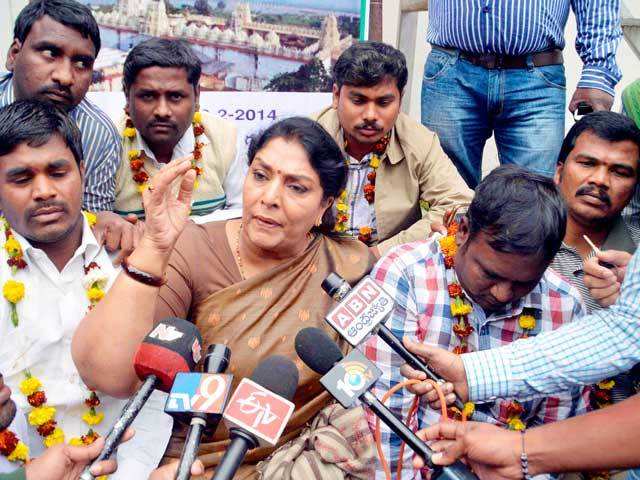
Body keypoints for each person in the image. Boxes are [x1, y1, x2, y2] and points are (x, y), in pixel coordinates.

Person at [72, 117, 378, 477]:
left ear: (325, 204)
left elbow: (370, 381)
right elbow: (109, 377)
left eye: (296, 188)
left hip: (311, 463)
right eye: (261, 176)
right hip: (200, 466)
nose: (269, 198)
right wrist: (154, 245)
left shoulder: (349, 263)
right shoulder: (195, 249)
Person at [364, 165, 589, 479]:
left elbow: (555, 432)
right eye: (490, 274)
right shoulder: (405, 274)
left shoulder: (565, 305)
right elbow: (388, 420)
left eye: (523, 283)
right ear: (463, 231)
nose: (501, 293)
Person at [0, 100, 172, 479]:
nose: (44, 191)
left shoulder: (130, 258)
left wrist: (133, 472)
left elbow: (153, 394)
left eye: (58, 172)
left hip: (124, 465)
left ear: (82, 171)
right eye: (21, 178)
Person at [421, 0, 622, 188]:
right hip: (451, 70)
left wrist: (598, 69)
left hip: (537, 77)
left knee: (533, 196)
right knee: (445, 192)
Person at [313, 41, 472, 256]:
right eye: (358, 101)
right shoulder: (309, 139)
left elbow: (459, 203)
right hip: (317, 257)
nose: (370, 115)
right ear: (336, 96)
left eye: (383, 103)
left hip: (388, 263)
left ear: (400, 100)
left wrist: (381, 253)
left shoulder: (419, 142)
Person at [1, 0, 120, 212]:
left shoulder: (98, 133)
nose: (65, 77)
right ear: (14, 55)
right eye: (50, 54)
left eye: (82, 63)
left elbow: (93, 221)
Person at [115, 38, 242, 218]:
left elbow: (240, 218)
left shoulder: (225, 138)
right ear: (128, 98)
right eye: (148, 96)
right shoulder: (108, 145)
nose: (162, 111)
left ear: (196, 96)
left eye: (175, 96)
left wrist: (188, 235)